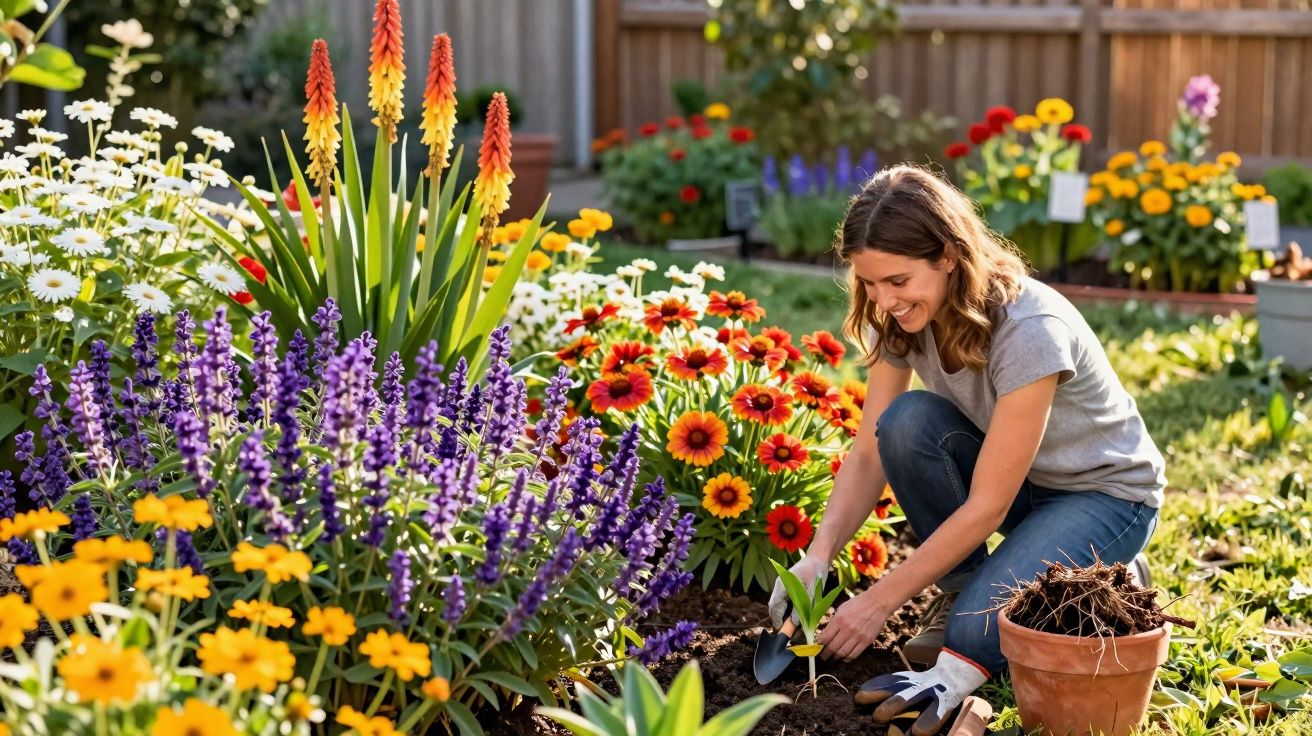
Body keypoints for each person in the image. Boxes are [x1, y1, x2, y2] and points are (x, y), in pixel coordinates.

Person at [767, 165, 1164, 734]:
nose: (884, 300)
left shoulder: (1030, 328)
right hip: (1023, 484)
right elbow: (869, 453)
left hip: (1105, 495)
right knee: (905, 424)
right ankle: (969, 589)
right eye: (871, 283)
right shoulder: (896, 313)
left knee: (968, 645)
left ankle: (1105, 561)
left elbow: (987, 507)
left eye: (898, 281)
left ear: (949, 256)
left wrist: (878, 601)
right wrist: (818, 556)